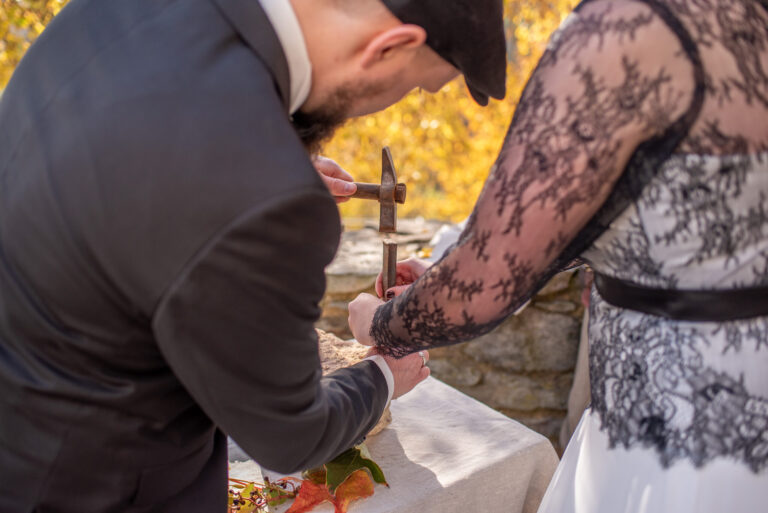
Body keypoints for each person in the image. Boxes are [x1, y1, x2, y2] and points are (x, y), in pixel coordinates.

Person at [0, 0, 507, 511]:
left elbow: (130, 156)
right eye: (418, 85)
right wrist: (383, 377)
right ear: (388, 48)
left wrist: (269, 162)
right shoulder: (270, 197)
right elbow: (289, 435)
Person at [349, 0, 768, 511]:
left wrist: (384, 325)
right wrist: (445, 266)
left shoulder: (621, 31)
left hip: (669, 448)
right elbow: (642, 217)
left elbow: (484, 285)